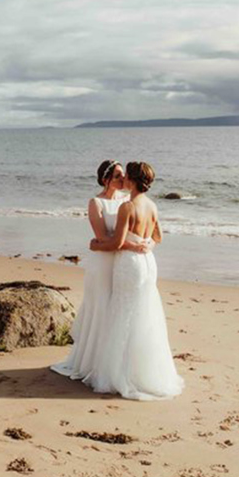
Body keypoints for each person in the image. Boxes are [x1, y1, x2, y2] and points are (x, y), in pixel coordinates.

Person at [86, 161, 184, 400]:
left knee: (123, 314)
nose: (123, 179)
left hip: (129, 264)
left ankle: (121, 373)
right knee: (144, 314)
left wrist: (95, 245)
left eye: (125, 176)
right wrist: (145, 245)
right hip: (148, 263)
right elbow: (157, 236)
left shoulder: (127, 207)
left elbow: (116, 244)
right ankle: (147, 371)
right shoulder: (152, 205)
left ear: (131, 180)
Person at [50, 160, 149, 380]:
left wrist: (142, 243)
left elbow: (137, 228)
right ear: (105, 180)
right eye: (116, 176)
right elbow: (104, 237)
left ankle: (115, 363)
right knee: (102, 309)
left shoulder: (128, 201)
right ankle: (93, 364)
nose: (122, 179)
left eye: (123, 175)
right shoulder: (96, 203)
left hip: (123, 263)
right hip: (104, 263)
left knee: (119, 311)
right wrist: (134, 245)